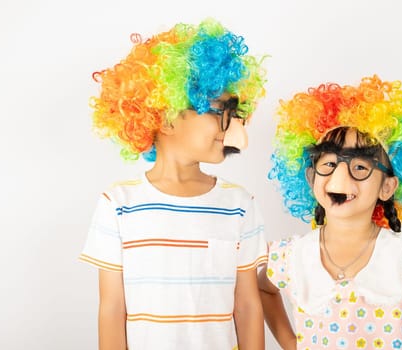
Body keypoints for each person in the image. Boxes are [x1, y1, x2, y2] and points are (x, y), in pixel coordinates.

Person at [259, 75, 402, 349]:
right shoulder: (290, 256)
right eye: (330, 164)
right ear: (311, 178)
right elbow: (262, 288)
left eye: (360, 167)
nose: (341, 175)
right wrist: (290, 343)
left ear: (387, 187)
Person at [79, 18, 268, 350]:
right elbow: (111, 308)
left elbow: (249, 305)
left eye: (235, 113)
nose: (231, 127)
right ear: (165, 119)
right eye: (219, 111)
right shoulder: (118, 204)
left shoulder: (239, 204)